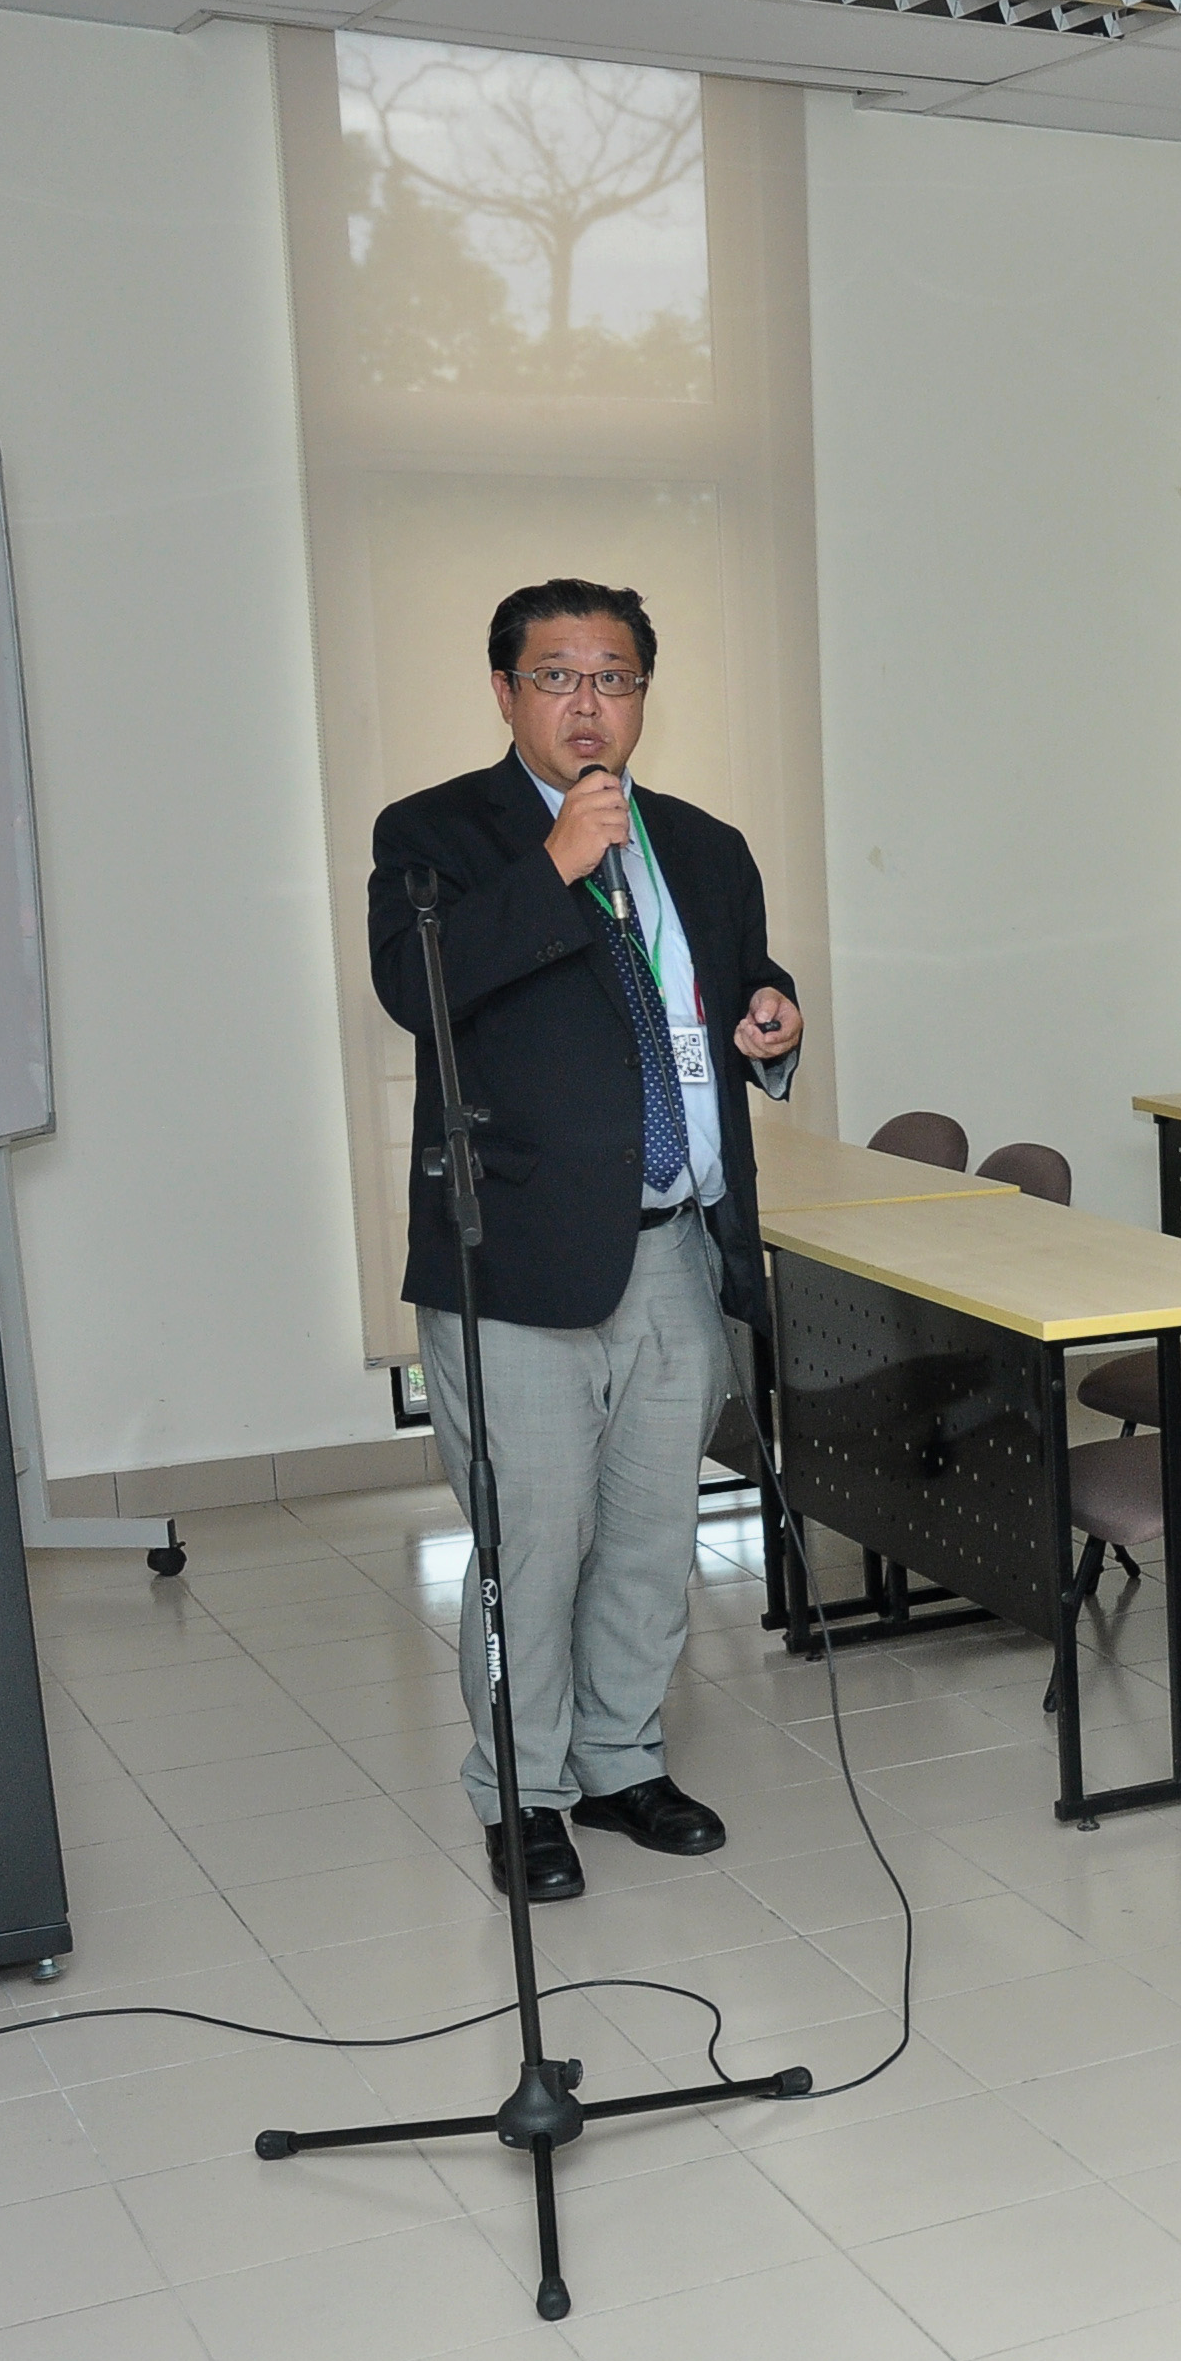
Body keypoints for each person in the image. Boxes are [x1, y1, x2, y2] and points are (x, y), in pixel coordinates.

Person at [368, 578, 803, 1905]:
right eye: (557, 676)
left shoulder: (705, 845)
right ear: (506, 692)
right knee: (535, 1545)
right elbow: (417, 988)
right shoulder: (436, 833)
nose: (587, 703)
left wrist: (772, 1018)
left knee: (651, 1536)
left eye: (613, 677)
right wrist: (554, 865)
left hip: (673, 1248)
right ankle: (523, 1791)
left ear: (641, 696)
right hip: (516, 1262)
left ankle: (620, 1762)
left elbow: (734, 987)